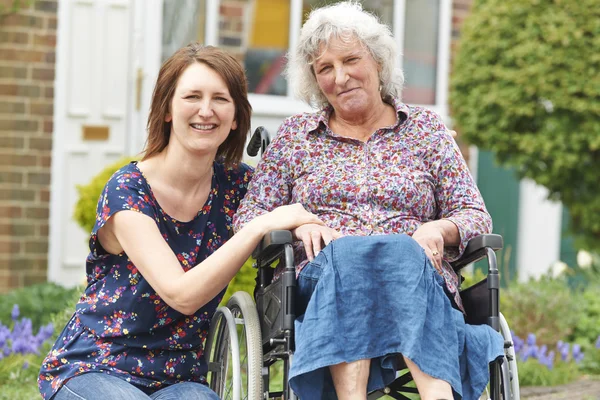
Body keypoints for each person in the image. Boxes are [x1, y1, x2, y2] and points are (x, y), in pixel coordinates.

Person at [233, 2, 505, 400]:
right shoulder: (296, 137)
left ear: (378, 61)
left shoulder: (425, 131)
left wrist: (438, 227)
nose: (340, 77)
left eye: (350, 59)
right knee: (350, 254)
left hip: (417, 279)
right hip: (322, 280)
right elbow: (248, 216)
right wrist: (297, 221)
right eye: (324, 68)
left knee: (398, 250)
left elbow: (474, 214)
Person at [37, 43, 323, 400]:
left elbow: (292, 209)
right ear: (168, 109)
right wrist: (254, 228)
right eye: (192, 96)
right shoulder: (128, 190)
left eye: (220, 98)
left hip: (182, 376)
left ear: (236, 117)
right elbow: (180, 295)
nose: (206, 110)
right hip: (96, 365)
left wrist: (307, 223)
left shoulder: (239, 187)